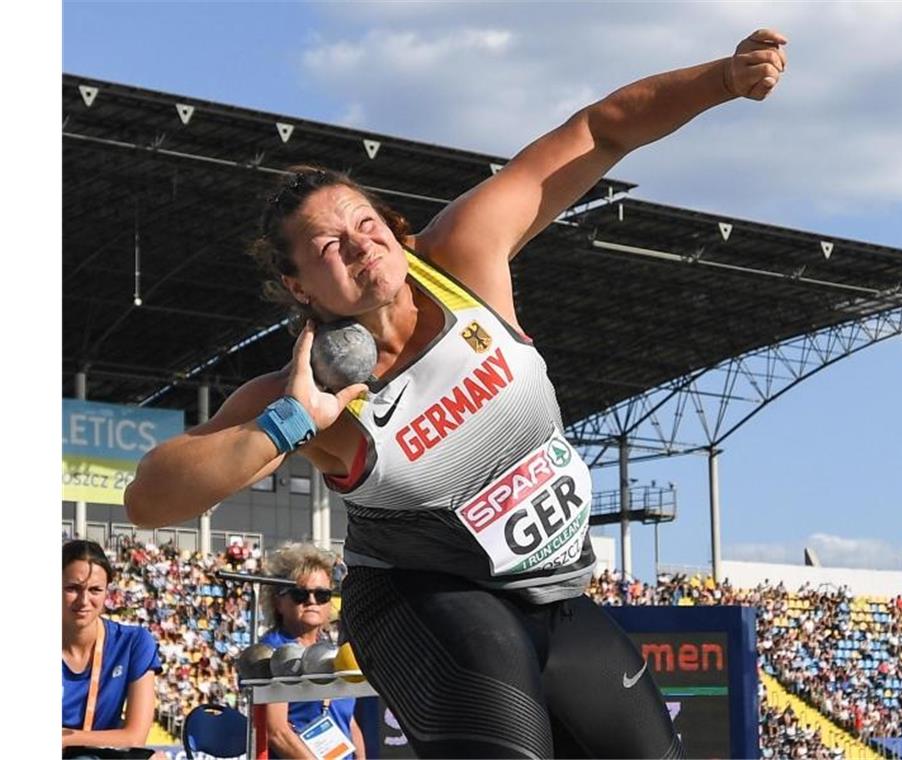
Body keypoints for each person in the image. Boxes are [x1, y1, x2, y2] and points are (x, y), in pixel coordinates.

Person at [126, 26, 787, 758]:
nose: (358, 244)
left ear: (394, 230)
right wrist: (287, 422)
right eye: (327, 247)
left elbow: (600, 130)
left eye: (365, 223)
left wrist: (722, 80)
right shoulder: (308, 392)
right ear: (297, 287)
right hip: (422, 603)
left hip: (553, 597)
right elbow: (150, 500)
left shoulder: (465, 260)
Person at [259, 543, 366, 759]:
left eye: (322, 595)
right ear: (278, 602)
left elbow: (347, 718)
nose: (312, 601)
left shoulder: (331, 650)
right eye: (300, 594)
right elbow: (277, 732)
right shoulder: (271, 652)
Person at [62, 540, 162, 752]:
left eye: (95, 590)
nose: (83, 600)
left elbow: (135, 737)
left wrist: (65, 739)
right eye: (72, 588)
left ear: (107, 592)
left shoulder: (133, 643)